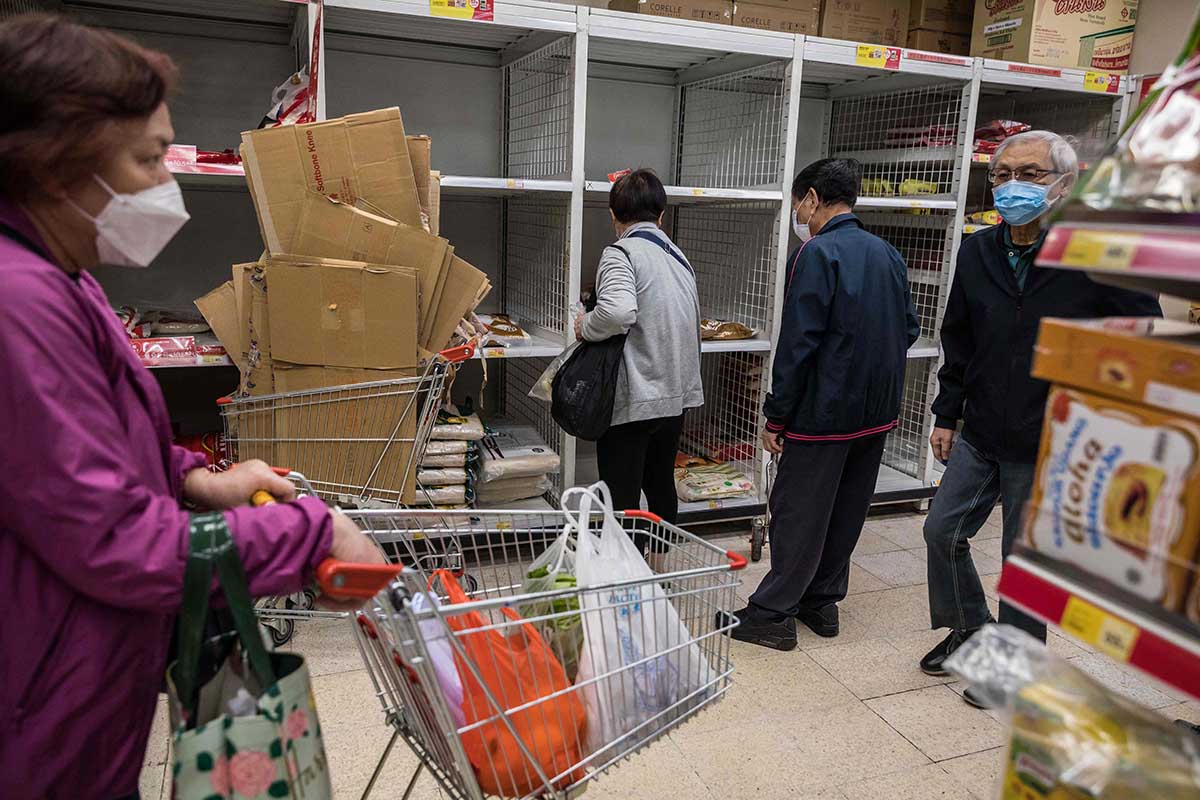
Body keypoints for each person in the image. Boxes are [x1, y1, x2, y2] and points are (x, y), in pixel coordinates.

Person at [0, 16, 385, 799]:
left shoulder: (62, 276)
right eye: (147, 158)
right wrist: (313, 531)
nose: (163, 183)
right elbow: (114, 540)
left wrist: (193, 479)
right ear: (56, 165)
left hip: (70, 686)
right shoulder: (18, 302)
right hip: (35, 714)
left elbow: (73, 448)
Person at [919, 130, 1161, 704]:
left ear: (1065, 182)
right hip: (982, 427)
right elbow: (959, 338)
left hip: (1054, 436)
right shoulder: (978, 250)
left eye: (1029, 174)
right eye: (1002, 175)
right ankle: (970, 627)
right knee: (941, 531)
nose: (1012, 186)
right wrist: (947, 414)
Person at [728, 158, 920, 651]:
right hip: (876, 413)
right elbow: (909, 328)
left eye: (799, 205)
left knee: (798, 511)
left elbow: (799, 344)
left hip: (824, 414)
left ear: (812, 198)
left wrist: (777, 415)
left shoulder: (816, 253)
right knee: (846, 509)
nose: (800, 215)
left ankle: (772, 613)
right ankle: (821, 600)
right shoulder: (887, 253)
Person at [576, 168, 703, 532]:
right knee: (660, 483)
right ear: (661, 215)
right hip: (674, 396)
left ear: (613, 214)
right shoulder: (678, 256)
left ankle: (627, 566)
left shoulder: (621, 253)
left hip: (636, 397)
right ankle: (659, 562)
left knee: (622, 497)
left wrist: (585, 325)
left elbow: (617, 313)